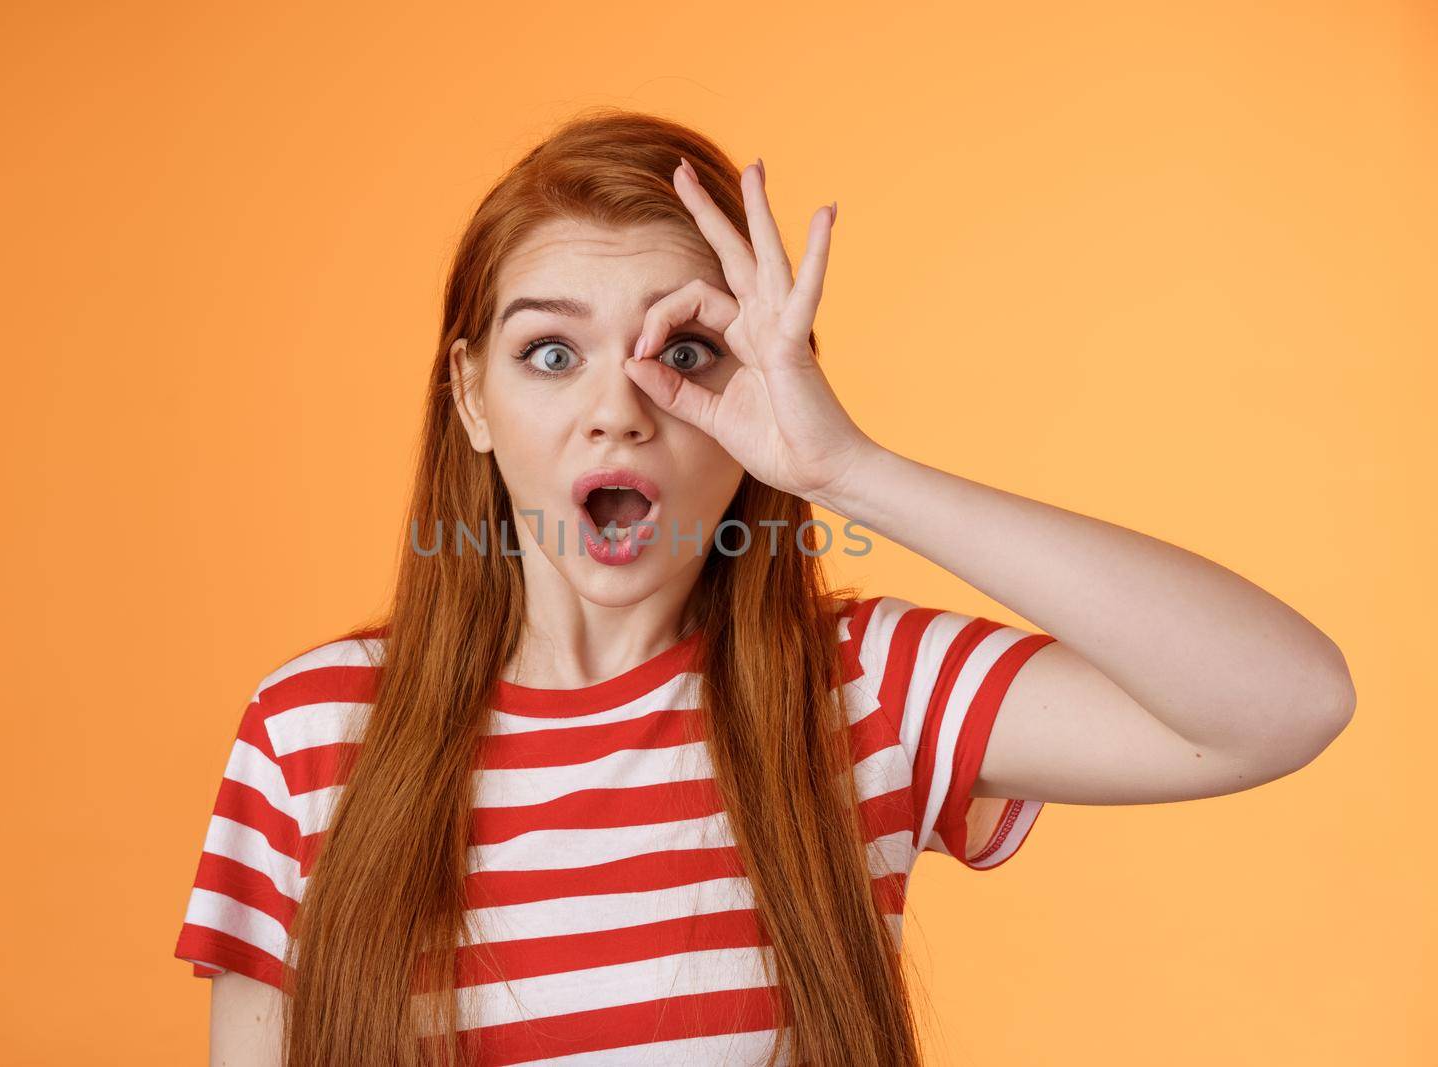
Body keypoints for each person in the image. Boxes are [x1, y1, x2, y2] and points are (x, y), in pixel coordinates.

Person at [172, 109, 1356, 1067]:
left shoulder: (866, 690)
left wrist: (853, 470)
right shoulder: (314, 732)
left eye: (683, 351)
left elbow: (1284, 701)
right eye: (550, 351)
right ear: (472, 397)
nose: (619, 405)